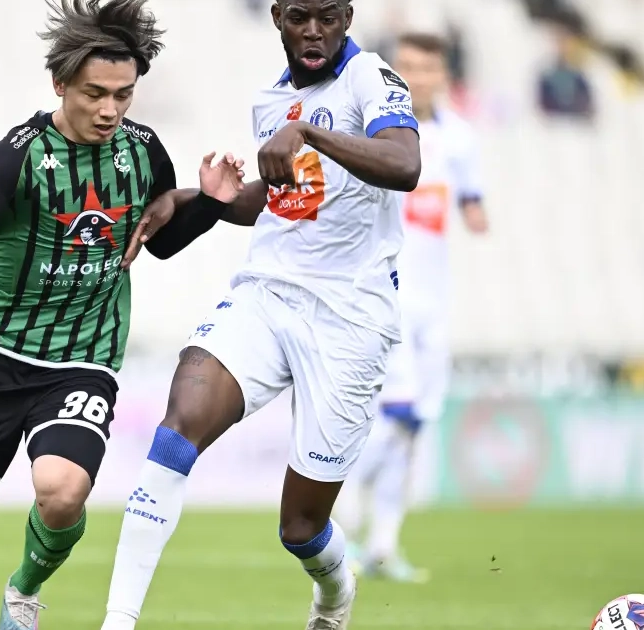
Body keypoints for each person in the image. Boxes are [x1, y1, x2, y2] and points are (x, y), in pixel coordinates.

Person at [0, 1, 245, 629]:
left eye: (123, 95)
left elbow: (158, 241)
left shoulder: (143, 151)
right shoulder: (18, 156)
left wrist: (210, 204)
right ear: (60, 84)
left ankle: (24, 590)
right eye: (95, 93)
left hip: (83, 359)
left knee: (63, 492)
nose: (110, 110)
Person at [99, 0, 421, 628]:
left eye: (328, 16)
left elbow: (405, 166)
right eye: (299, 16)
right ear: (276, 17)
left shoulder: (372, 78)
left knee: (301, 528)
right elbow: (282, 200)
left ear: (348, 17)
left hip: (351, 318)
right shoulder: (272, 100)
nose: (314, 31)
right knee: (176, 430)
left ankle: (335, 592)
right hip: (267, 293)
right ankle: (119, 620)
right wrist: (200, 198)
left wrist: (309, 133)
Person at [338, 32, 488, 584]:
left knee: (416, 422)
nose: (416, 78)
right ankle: (340, 500)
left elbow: (471, 200)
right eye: (406, 67)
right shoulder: (378, 133)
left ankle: (382, 544)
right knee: (398, 412)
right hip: (386, 295)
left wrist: (476, 212)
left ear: (442, 75)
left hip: (434, 302)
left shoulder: (460, 138)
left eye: (427, 69)